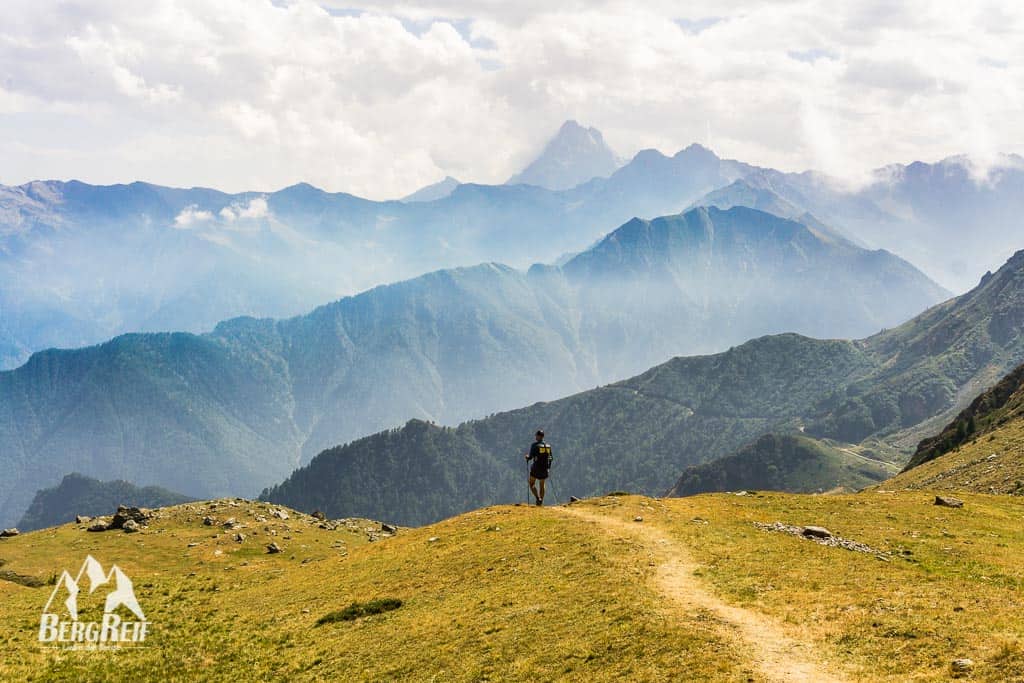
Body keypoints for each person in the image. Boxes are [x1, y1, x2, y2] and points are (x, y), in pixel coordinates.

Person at [524, 429, 553, 506]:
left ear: (538, 436)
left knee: (531, 484)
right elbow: (551, 458)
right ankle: (541, 501)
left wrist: (527, 457)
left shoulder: (534, 445)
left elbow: (530, 457)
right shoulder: (548, 446)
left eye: (536, 435)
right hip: (545, 469)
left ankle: (537, 498)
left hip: (536, 469)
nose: (535, 436)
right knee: (542, 484)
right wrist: (548, 468)